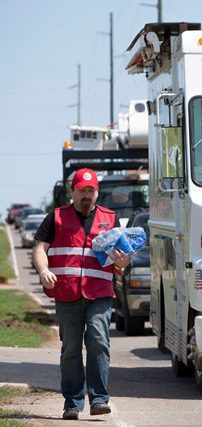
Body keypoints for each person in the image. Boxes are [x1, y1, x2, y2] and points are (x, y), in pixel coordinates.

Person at [33, 168, 131, 420]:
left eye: (91, 190)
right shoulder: (55, 218)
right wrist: (43, 270)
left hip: (99, 293)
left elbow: (124, 258)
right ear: (72, 192)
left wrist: (123, 262)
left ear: (97, 192)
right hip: (66, 294)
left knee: (99, 341)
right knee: (71, 348)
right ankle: (72, 402)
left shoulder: (110, 219)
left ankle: (99, 399)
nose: (87, 195)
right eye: (82, 191)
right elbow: (40, 248)